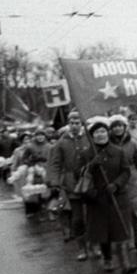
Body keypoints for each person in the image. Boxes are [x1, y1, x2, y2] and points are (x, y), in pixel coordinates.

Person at [84, 117, 136, 274]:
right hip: (97, 199)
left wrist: (116, 184)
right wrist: (91, 165)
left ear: (108, 133)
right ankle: (107, 259)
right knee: (103, 232)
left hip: (117, 197)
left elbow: (126, 171)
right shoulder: (87, 154)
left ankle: (125, 264)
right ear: (92, 136)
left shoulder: (118, 151)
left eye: (103, 131)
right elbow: (78, 173)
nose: (101, 135)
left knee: (120, 230)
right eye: (97, 132)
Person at [47, 110, 93, 259]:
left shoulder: (89, 138)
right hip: (72, 184)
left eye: (77, 123)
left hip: (90, 182)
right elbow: (55, 164)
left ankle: (96, 245)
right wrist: (54, 181)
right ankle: (82, 248)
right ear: (68, 124)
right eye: (72, 123)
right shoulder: (62, 142)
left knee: (92, 216)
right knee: (78, 218)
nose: (74, 126)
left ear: (82, 124)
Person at [109, 114, 137, 251]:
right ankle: (126, 240)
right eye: (115, 126)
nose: (117, 129)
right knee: (121, 210)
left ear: (124, 127)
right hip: (116, 179)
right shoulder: (108, 145)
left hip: (133, 179)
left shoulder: (131, 144)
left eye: (120, 126)